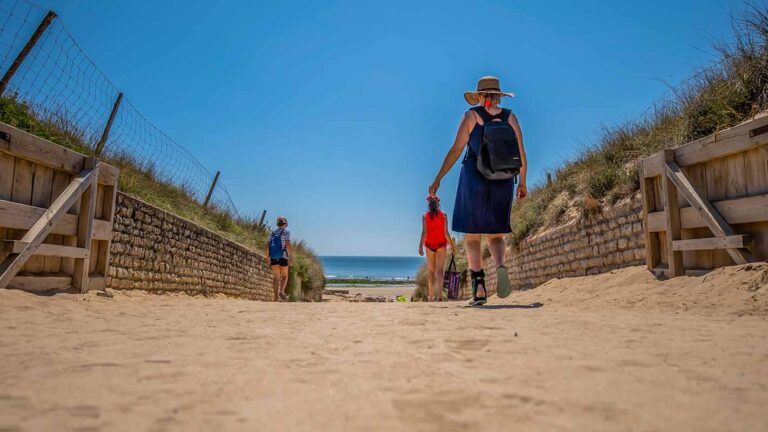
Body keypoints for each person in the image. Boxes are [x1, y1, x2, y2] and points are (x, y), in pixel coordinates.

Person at [429, 76, 528, 306]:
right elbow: (521, 154)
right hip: (503, 180)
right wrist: (522, 182)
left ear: (480, 95)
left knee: (472, 238)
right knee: (496, 234)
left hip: (474, 178)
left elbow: (456, 149)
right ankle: (501, 266)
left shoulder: (472, 116)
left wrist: (438, 178)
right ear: (498, 95)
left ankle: (479, 284)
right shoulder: (510, 117)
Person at [418, 195, 457, 302]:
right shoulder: (444, 216)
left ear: (428, 203)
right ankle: (439, 296)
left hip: (430, 246)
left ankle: (431, 296)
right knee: (440, 271)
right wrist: (453, 247)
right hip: (441, 245)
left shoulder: (425, 216)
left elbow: (424, 232)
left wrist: (420, 246)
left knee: (431, 272)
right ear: (438, 203)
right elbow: (446, 233)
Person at [265, 216, 293, 302]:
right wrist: (291, 256)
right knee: (284, 276)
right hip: (283, 256)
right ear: (286, 224)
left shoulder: (272, 233)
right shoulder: (286, 232)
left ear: (277, 224)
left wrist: (267, 257)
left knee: (276, 277)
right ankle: (281, 291)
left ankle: (275, 298)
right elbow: (287, 244)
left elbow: (267, 246)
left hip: (273, 257)